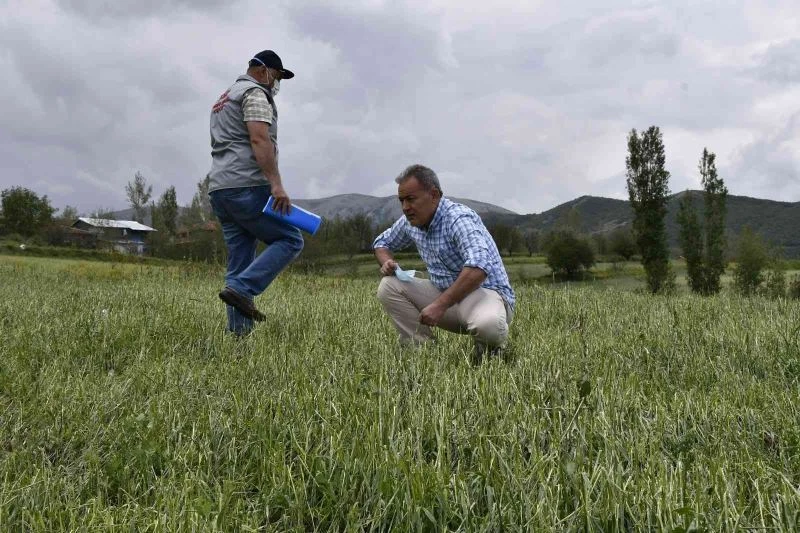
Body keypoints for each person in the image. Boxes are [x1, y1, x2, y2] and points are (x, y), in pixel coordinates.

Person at [373, 164, 516, 363]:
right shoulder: (411, 221)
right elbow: (381, 243)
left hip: (483, 295)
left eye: (411, 199)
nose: (405, 207)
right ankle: (423, 355)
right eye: (402, 201)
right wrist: (387, 261)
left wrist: (440, 305)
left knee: (488, 325)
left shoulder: (458, 218)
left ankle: (489, 357)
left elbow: (479, 267)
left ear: (434, 195)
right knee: (389, 286)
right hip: (445, 296)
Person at [207, 50, 304, 336]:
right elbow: (259, 138)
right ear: (262, 70)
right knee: (289, 239)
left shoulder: (223, 98)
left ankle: (239, 338)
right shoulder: (254, 94)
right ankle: (243, 288)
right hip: (247, 185)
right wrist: (276, 184)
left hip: (221, 189)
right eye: (277, 75)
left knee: (239, 262)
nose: (277, 83)